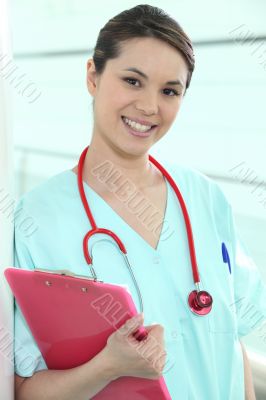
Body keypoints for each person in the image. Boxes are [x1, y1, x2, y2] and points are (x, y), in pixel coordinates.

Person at [13, 4, 266, 400]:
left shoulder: (206, 198)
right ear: (92, 76)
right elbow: (25, 389)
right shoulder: (37, 218)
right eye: (133, 81)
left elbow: (232, 345)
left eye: (170, 91)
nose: (150, 107)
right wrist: (108, 366)